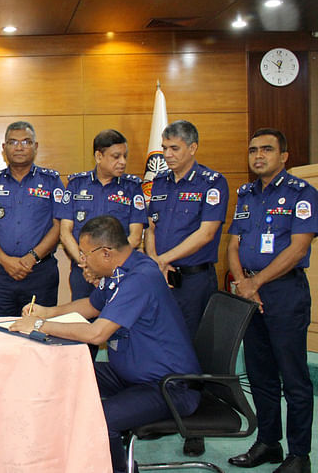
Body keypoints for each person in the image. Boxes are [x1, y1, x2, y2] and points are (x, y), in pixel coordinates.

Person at [9, 215, 200, 473]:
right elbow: (91, 306)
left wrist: (40, 326)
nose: (83, 261)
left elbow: (97, 334)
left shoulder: (139, 278)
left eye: (86, 254)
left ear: (106, 252)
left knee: (100, 418)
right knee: (62, 373)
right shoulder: (118, 272)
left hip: (168, 385)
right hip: (132, 374)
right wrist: (46, 312)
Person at [226, 128, 315, 473]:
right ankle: (268, 443)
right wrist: (244, 283)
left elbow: (299, 248)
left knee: (293, 378)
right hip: (251, 293)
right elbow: (233, 244)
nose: (258, 155)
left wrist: (256, 282)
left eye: (266, 149)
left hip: (284, 293)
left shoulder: (301, 193)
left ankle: (299, 455)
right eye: (253, 150)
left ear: (284, 156)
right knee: (259, 374)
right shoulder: (246, 194)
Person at [143, 120, 228, 456]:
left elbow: (206, 233)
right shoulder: (159, 182)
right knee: (160, 346)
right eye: (164, 148)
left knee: (191, 349)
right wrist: (154, 261)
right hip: (161, 276)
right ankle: (160, 411)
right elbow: (150, 227)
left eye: (174, 148)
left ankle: (195, 425)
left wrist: (164, 259)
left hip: (193, 279)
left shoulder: (212, 182)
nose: (167, 154)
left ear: (192, 148)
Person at [59, 129, 146, 359]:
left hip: (120, 275)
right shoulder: (76, 185)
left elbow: (135, 236)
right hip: (82, 273)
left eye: (124, 156)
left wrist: (107, 268)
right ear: (99, 156)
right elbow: (65, 231)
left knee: (119, 331)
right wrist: (87, 265)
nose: (123, 162)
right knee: (81, 333)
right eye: (116, 156)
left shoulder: (132, 187)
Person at [0, 121, 64, 317]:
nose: (19, 147)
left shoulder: (51, 181)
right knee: (1, 332)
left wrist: (32, 258)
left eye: (26, 142)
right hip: (0, 273)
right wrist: (4, 260)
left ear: (36, 147)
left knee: (39, 332)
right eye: (13, 142)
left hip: (40, 273)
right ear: (4, 148)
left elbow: (59, 226)